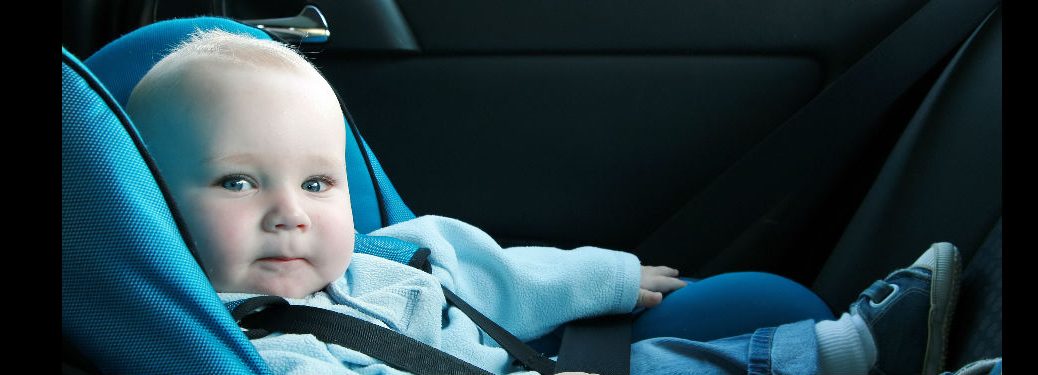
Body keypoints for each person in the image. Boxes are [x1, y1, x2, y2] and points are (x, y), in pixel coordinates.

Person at [125, 29, 998, 375]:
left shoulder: (374, 260)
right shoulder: (262, 352)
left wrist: (610, 277)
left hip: (525, 362)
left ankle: (850, 349)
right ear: (153, 204)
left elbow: (497, 276)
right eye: (238, 182)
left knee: (678, 361)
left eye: (318, 183)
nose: (290, 211)